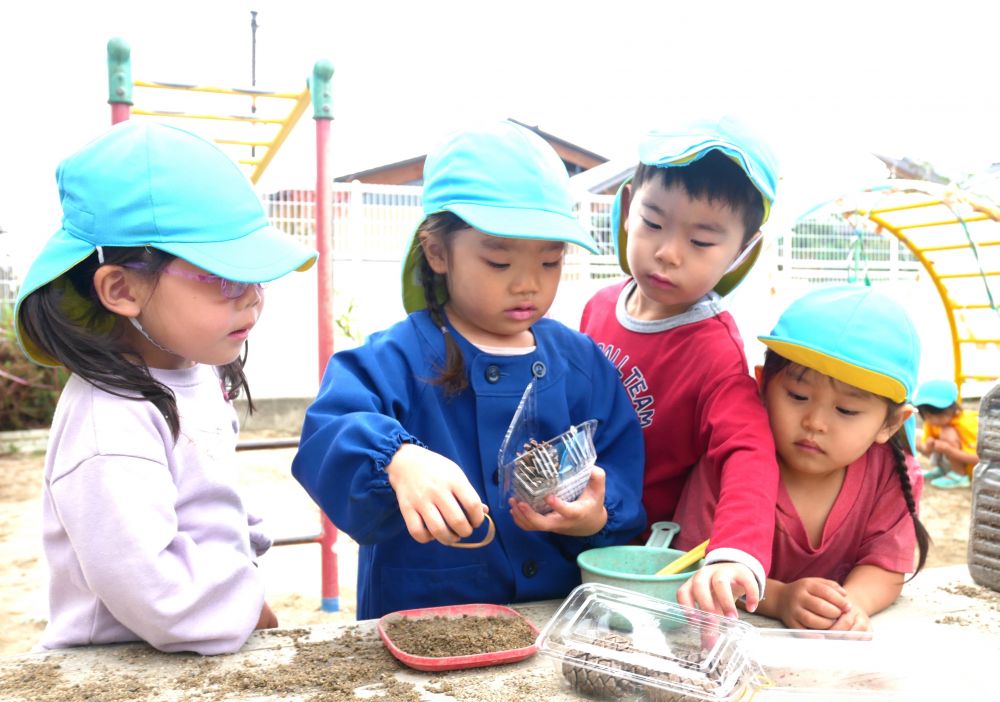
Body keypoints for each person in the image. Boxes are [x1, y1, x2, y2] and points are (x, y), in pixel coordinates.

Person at [292, 121, 647, 620]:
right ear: (438, 252)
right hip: (422, 621)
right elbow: (329, 431)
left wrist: (596, 518)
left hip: (551, 623)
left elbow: (620, 471)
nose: (528, 284)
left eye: (550, 262)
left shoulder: (582, 365)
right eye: (499, 263)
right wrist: (397, 459)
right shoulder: (398, 357)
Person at [13, 121, 317, 655]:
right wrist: (245, 601)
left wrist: (242, 539)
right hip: (116, 672)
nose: (251, 299)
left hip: (182, 649)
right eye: (223, 278)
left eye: (255, 275)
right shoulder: (111, 419)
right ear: (121, 288)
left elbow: (202, 493)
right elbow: (156, 593)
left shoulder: (194, 371)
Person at [580, 116, 779, 618]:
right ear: (627, 209)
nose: (667, 253)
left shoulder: (714, 351)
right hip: (568, 525)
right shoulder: (600, 306)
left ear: (742, 251)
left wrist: (734, 553)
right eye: (652, 223)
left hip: (637, 565)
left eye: (702, 242)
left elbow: (749, 452)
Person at [677, 285, 931, 631]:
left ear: (891, 423)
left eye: (847, 409)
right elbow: (695, 567)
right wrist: (780, 599)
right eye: (797, 395)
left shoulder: (892, 474)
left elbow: (886, 566)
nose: (815, 422)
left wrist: (852, 604)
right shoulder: (730, 461)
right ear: (762, 384)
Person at [913, 379, 979, 489]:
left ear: (953, 408)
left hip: (972, 469)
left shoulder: (966, 423)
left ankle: (959, 475)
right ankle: (944, 470)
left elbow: (980, 459)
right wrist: (928, 447)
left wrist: (949, 450)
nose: (934, 421)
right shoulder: (930, 423)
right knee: (916, 442)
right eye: (928, 416)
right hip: (952, 460)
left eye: (939, 415)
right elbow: (926, 450)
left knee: (947, 432)